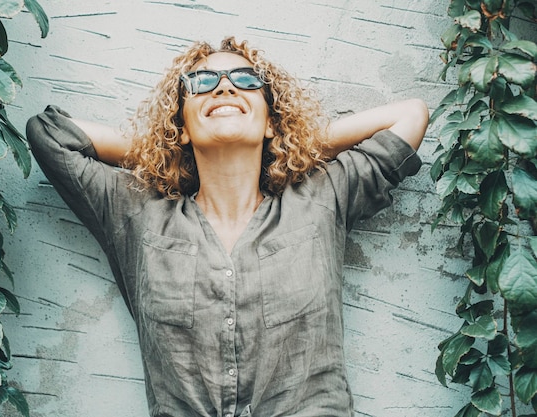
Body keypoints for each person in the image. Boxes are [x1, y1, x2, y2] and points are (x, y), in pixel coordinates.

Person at [26, 36, 428, 417]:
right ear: (180, 123)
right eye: (201, 83)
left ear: (272, 120)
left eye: (246, 81)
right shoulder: (138, 214)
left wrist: (292, 143)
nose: (224, 89)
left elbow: (409, 117)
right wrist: (166, 150)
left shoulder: (323, 199)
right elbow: (49, 134)